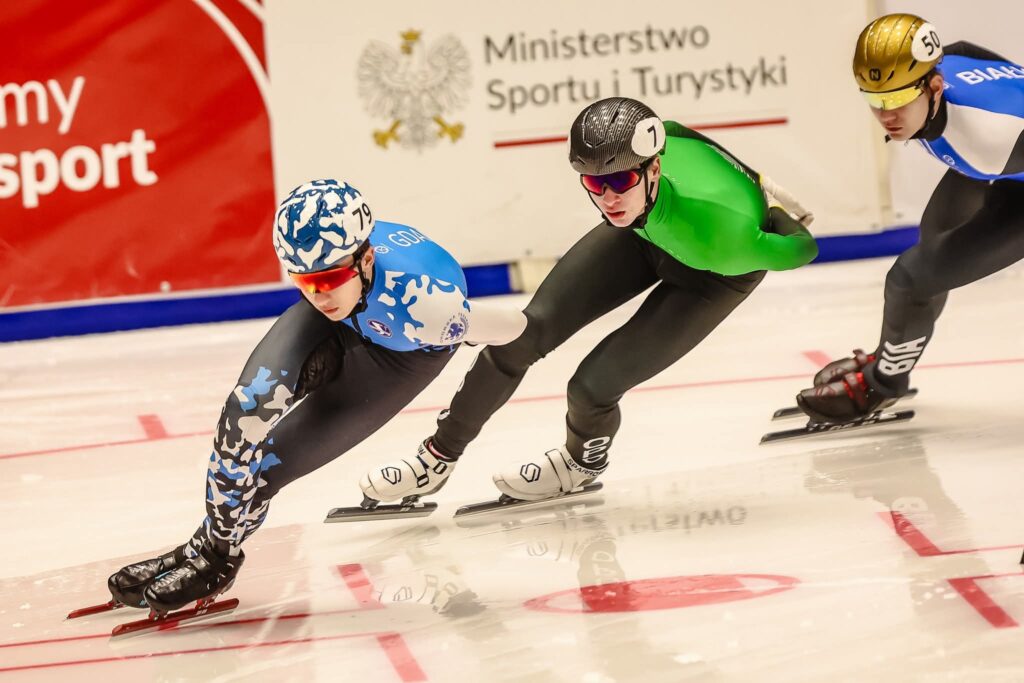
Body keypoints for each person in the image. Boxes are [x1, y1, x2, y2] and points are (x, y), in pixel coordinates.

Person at [358, 96, 818, 509]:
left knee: (591, 388)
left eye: (619, 180)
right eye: (594, 184)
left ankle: (581, 463)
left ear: (653, 169)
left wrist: (775, 211)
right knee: (520, 336)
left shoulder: (725, 237)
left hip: (711, 274)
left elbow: (803, 249)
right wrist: (755, 175)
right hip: (644, 234)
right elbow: (674, 127)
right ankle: (437, 456)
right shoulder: (638, 180)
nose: (608, 198)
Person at [99, 179, 526, 617]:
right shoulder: (330, 282)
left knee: (267, 469)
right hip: (350, 318)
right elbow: (325, 290)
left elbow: (516, 328)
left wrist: (464, 331)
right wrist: (330, 284)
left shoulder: (427, 308)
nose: (319, 294)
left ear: (366, 258)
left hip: (398, 355)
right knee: (243, 415)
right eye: (303, 280)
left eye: (328, 278)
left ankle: (210, 555)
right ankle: (210, 551)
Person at [797, 14, 1024, 423]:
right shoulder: (943, 70)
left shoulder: (988, 137)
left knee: (910, 279)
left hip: (1005, 159)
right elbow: (964, 50)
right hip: (1003, 161)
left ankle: (881, 385)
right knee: (935, 237)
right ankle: (891, 357)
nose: (888, 116)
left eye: (899, 99)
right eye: (876, 100)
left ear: (934, 87)